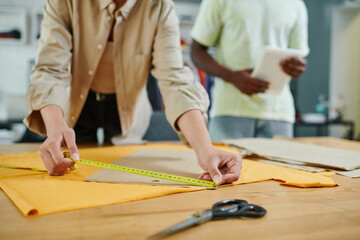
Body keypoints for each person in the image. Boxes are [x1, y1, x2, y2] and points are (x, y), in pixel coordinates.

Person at [24, 0, 242, 185]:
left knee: (117, 184)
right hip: (72, 110)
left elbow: (175, 81)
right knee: (71, 180)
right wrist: (55, 128)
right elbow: (50, 70)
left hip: (128, 111)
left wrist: (205, 149)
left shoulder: (160, 7)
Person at [190, 0, 310, 141]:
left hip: (279, 112)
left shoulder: (295, 4)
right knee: (224, 164)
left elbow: (298, 55)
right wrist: (231, 76)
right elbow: (196, 51)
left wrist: (297, 67)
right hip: (230, 110)